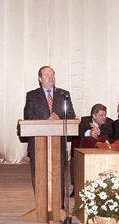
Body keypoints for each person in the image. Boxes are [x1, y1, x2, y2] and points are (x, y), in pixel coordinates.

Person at [23, 66, 75, 203]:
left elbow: (71, 116)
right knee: (39, 175)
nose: (50, 77)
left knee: (59, 175)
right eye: (46, 75)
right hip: (38, 143)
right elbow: (28, 117)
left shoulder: (64, 94)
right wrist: (46, 121)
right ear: (40, 79)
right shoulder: (32, 95)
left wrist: (60, 120)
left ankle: (60, 206)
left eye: (52, 74)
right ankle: (41, 206)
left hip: (58, 143)